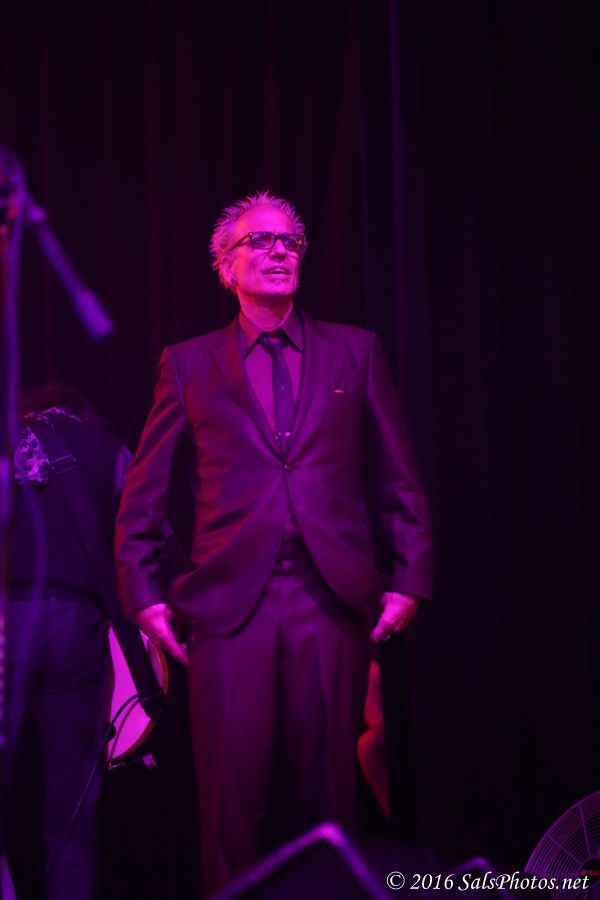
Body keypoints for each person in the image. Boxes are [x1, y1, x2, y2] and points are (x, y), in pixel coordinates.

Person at [115, 190, 432, 895]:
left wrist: (411, 577)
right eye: (260, 241)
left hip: (330, 601)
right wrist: (142, 596)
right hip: (229, 612)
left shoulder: (355, 351)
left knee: (331, 800)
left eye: (291, 240)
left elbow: (398, 474)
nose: (280, 250)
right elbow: (144, 492)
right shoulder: (189, 363)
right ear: (226, 266)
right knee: (231, 801)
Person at [4, 385, 131, 900]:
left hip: (5, 617)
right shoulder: (109, 451)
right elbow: (143, 537)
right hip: (76, 622)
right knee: (72, 810)